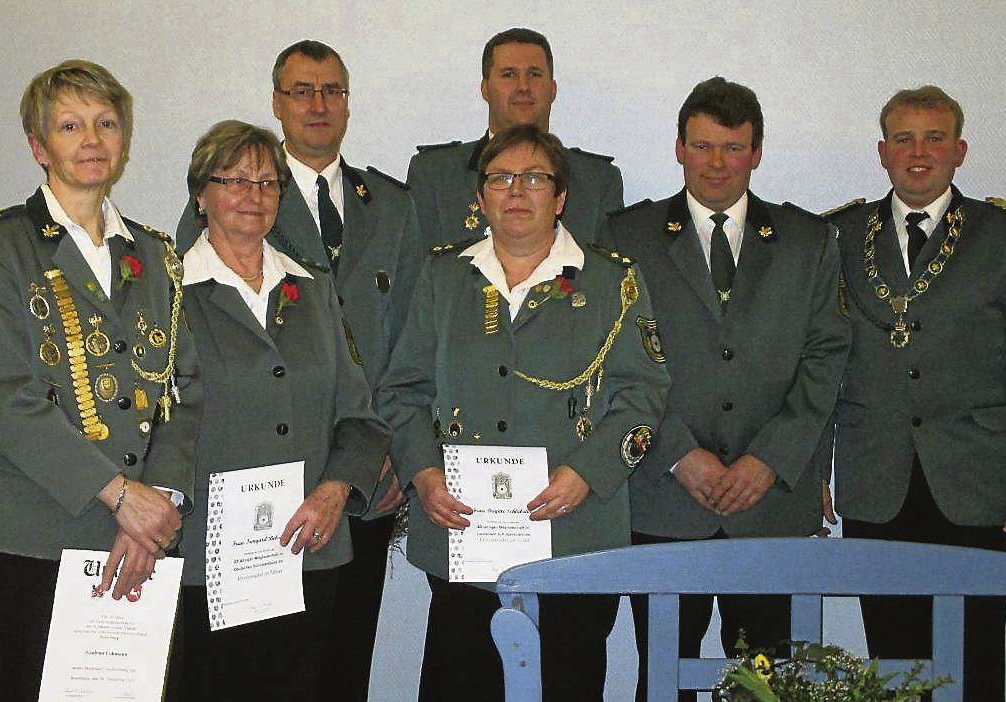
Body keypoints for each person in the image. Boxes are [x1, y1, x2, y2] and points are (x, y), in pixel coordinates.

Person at [379, 125, 669, 702]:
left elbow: (644, 397)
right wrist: (422, 472)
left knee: (567, 686)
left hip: (574, 538)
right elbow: (402, 390)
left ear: (560, 197)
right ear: (480, 197)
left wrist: (588, 471)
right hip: (463, 540)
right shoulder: (443, 278)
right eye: (500, 178)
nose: (516, 190)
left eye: (534, 178)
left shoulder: (614, 281)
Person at [173, 40, 420, 701]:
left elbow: (411, 337)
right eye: (301, 91)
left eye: (331, 90)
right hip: (222, 526)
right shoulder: (178, 276)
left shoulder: (392, 204)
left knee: (335, 667)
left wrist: (381, 457)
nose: (318, 104)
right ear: (277, 102)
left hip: (346, 491)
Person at [602, 76, 850, 701]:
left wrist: (772, 458)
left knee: (768, 685)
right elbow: (611, 358)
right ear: (678, 148)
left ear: (757, 153)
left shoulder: (809, 240)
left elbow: (826, 357)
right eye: (703, 145)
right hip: (662, 495)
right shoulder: (623, 238)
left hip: (769, 503)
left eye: (733, 148)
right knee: (661, 679)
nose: (717, 163)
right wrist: (678, 454)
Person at [0, 59, 200, 701]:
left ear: (123, 140)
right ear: (39, 147)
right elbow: (2, 398)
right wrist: (121, 496)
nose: (91, 140)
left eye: (105, 123)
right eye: (70, 126)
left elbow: (185, 394)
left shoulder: (157, 254)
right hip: (41, 538)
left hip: (146, 541)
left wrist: (158, 504)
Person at [821, 85, 1006, 702]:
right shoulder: (838, 237)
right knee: (891, 661)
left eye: (934, 138)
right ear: (882, 152)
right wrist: (813, 470)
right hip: (873, 476)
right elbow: (822, 364)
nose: (919, 152)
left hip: (975, 478)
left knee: (974, 661)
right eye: (904, 139)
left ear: (959, 150)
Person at [407, 27, 623, 250]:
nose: (523, 87)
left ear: (552, 89)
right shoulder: (435, 174)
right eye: (509, 74)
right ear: (485, 89)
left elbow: (610, 280)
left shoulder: (599, 181)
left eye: (535, 74)